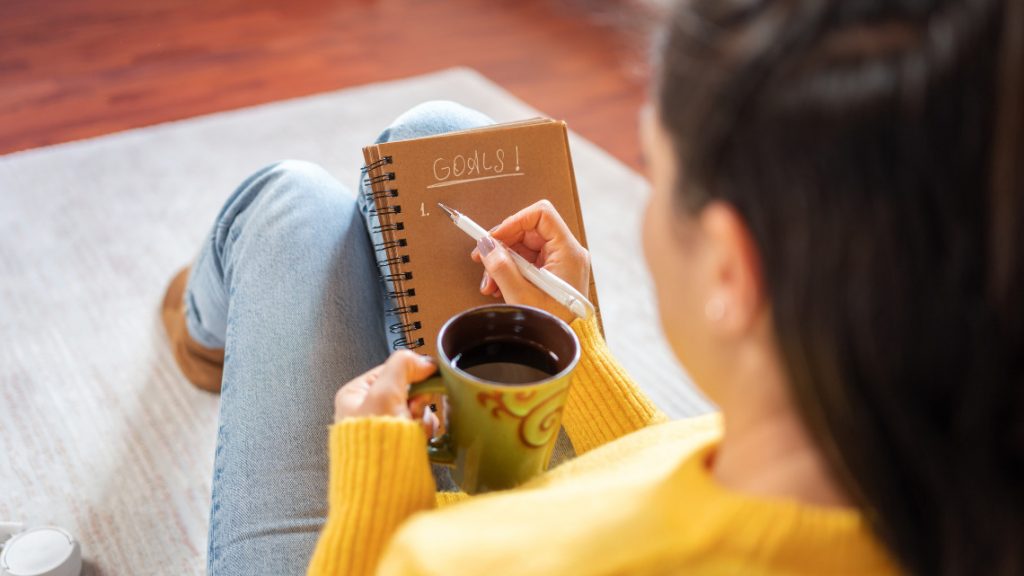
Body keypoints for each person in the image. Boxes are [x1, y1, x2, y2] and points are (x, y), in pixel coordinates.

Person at [161, 0, 1023, 574]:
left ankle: (207, 327)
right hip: (571, 502)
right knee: (435, 135)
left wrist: (378, 475)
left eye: (656, 171)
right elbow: (681, 477)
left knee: (289, 207)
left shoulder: (446, 560)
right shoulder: (935, 473)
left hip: (412, 537)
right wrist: (588, 358)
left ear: (730, 268)